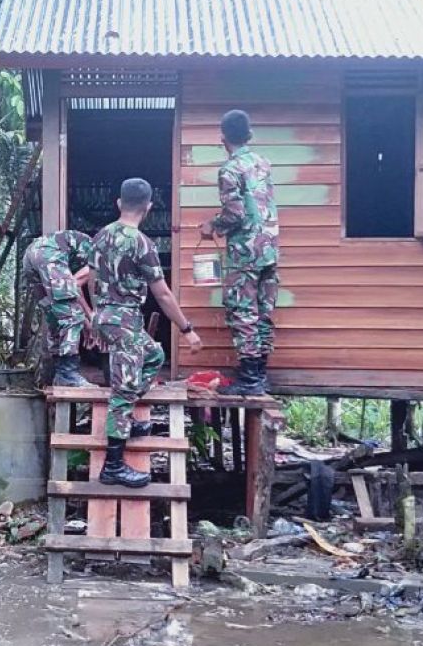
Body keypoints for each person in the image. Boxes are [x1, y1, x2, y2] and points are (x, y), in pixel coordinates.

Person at [90, 178, 202, 488]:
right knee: (123, 390)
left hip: (107, 315)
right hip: (123, 319)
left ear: (118, 202)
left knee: (154, 355)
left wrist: (97, 315)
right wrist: (187, 330)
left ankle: (124, 420)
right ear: (148, 207)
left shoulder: (100, 236)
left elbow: (92, 276)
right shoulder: (142, 244)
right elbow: (163, 295)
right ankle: (112, 467)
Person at [199, 109, 279, 396]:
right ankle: (260, 373)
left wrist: (213, 226)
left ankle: (250, 379)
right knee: (264, 311)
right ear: (250, 135)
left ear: (223, 138)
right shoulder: (263, 163)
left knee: (243, 311)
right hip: (270, 248)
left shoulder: (229, 170)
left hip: (245, 252)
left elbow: (235, 214)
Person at [23, 230, 97, 387]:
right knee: (71, 315)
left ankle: (54, 373)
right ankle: (67, 374)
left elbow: (72, 288)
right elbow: (75, 285)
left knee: (55, 313)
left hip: (32, 254)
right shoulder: (103, 257)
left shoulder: (82, 248)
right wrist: (90, 317)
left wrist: (86, 322)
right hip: (48, 254)